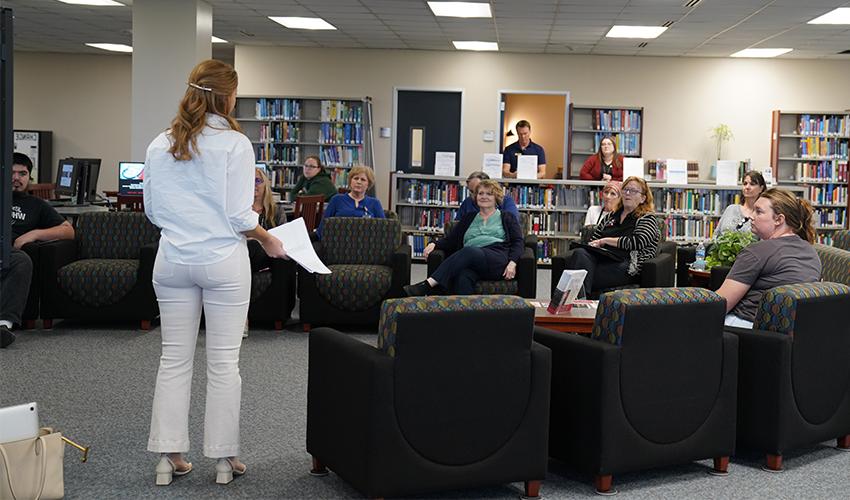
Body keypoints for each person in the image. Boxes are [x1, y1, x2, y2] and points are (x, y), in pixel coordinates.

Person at [143, 59, 286, 487]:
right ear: (226, 96)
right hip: (222, 260)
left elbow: (152, 211)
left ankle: (169, 458)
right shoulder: (235, 144)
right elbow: (239, 215)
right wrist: (267, 238)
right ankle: (224, 460)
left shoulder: (159, 143)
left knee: (173, 359)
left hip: (171, 260)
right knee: (224, 363)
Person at [716, 188, 821, 328]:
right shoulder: (811, 252)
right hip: (789, 333)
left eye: (758, 211)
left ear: (779, 219)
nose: (751, 216)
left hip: (746, 326)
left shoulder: (757, 251)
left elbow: (722, 304)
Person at [2, 153, 75, 348]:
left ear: (29, 177)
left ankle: (4, 325)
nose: (16, 178)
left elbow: (68, 231)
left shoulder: (36, 205)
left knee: (22, 260)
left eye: (22, 173)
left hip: (10, 253)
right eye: (12, 172)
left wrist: (33, 234)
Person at [404, 179, 524, 296]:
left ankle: (428, 285)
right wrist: (433, 244)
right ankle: (466, 314)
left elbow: (518, 241)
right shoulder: (468, 218)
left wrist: (512, 263)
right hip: (471, 262)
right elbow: (451, 240)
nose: (484, 196)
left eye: (489, 194)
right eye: (480, 193)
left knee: (469, 251)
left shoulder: (506, 217)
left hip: (496, 259)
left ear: (496, 197)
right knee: (463, 277)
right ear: (475, 197)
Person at [566, 176, 660, 296]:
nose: (627, 193)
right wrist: (594, 244)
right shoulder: (611, 216)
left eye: (633, 191)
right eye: (625, 189)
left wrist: (606, 240)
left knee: (582, 275)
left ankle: (575, 302)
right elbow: (596, 238)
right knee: (580, 253)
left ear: (643, 198)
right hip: (604, 258)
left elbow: (637, 242)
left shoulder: (646, 218)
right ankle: (580, 301)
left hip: (628, 264)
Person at [317, 165, 384, 237]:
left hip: (366, 244)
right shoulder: (336, 200)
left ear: (368, 184)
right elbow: (323, 227)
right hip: (338, 243)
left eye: (363, 180)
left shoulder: (375, 203)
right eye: (356, 178)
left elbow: (384, 229)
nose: (358, 182)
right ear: (350, 181)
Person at [715, 170, 767, 237]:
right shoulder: (730, 209)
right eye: (745, 184)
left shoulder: (762, 215)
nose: (747, 187)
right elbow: (716, 234)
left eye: (752, 184)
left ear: (761, 188)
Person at [455, 171, 520, 222]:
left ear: (488, 186)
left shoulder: (506, 200)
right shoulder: (467, 202)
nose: (474, 195)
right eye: (471, 191)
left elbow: (512, 220)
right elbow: (457, 223)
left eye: (478, 192)